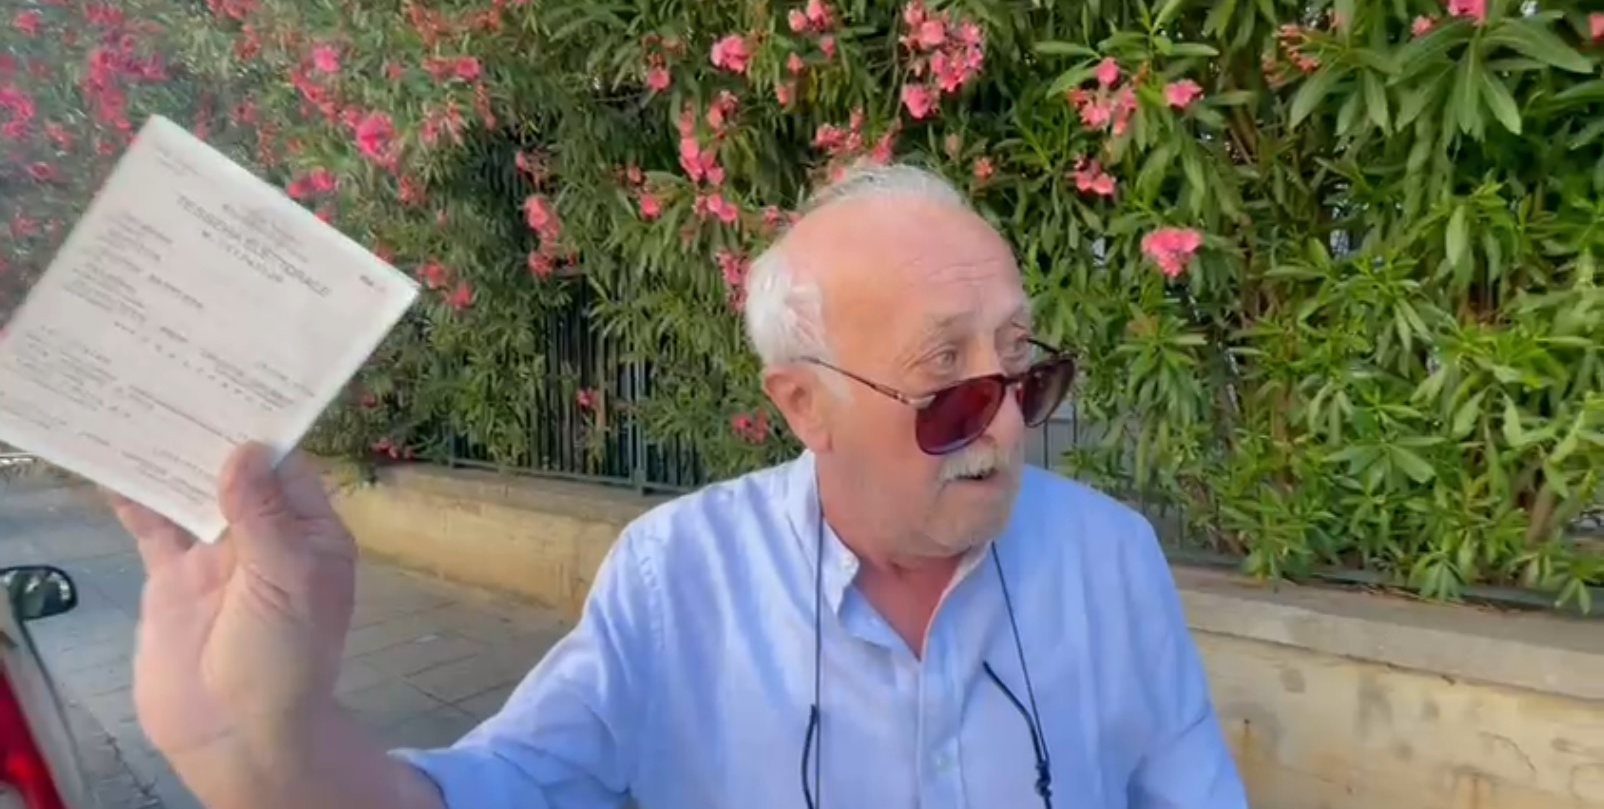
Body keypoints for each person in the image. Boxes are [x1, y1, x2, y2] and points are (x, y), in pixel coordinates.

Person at [112, 163, 1248, 809]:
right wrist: (275, 742)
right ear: (803, 405)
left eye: (1021, 366)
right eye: (944, 379)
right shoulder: (678, 577)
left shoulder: (1110, 559)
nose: (1000, 421)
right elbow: (500, 788)